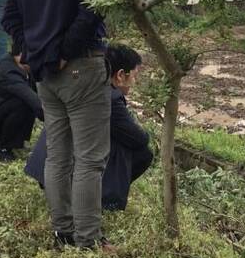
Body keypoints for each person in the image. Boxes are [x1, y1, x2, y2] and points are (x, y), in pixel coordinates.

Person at [1, 0, 112, 250]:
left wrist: (27, 51)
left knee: (59, 154)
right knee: (90, 159)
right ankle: (88, 240)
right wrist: (65, 51)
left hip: (45, 76)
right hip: (81, 69)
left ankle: (63, 231)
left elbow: (10, 15)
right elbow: (93, 10)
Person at [25, 44, 153, 211]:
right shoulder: (109, 98)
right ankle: (102, 197)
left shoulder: (82, 81)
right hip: (65, 170)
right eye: (135, 76)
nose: (135, 82)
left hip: (46, 169)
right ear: (120, 75)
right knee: (141, 152)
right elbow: (139, 139)